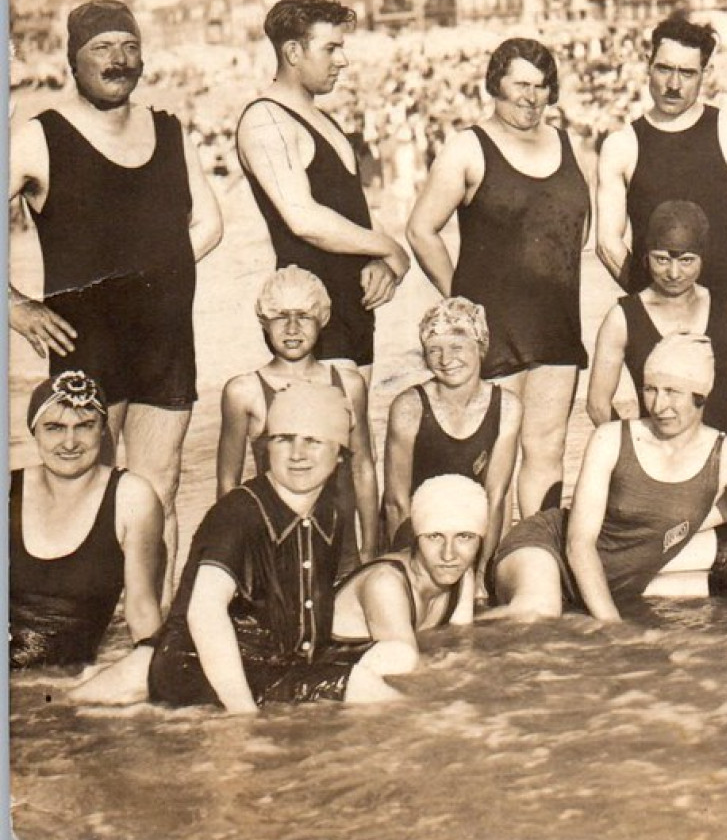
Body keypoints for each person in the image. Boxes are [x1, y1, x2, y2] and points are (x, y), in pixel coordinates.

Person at [10, 0, 224, 592]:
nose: (118, 60)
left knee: (159, 487)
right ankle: (87, 636)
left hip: (164, 339)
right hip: (86, 345)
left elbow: (209, 224)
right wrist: (15, 306)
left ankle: (150, 633)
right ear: (72, 62)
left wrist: (154, 276)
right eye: (102, 49)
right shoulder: (39, 136)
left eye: (129, 47)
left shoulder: (169, 129)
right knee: (86, 489)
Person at [487, 335, 727, 621]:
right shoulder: (611, 439)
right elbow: (579, 544)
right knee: (536, 614)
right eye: (650, 390)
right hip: (545, 550)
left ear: (700, 395)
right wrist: (612, 626)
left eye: (672, 392)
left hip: (619, 580)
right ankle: (446, 642)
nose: (659, 405)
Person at [407, 37, 591, 515]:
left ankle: (539, 559)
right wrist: (461, 305)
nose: (531, 97)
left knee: (548, 456)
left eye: (542, 87)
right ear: (495, 86)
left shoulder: (568, 143)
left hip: (556, 326)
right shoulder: (469, 147)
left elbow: (576, 229)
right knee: (492, 465)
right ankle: (484, 576)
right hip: (493, 334)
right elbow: (422, 229)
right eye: (520, 85)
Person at [147, 383, 404, 712]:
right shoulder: (239, 512)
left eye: (313, 440)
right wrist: (243, 715)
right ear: (267, 448)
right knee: (361, 686)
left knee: (398, 656)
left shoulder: (332, 508)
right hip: (201, 665)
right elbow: (204, 613)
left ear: (340, 454)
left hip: (282, 658)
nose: (298, 454)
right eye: (284, 439)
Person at [237, 0, 408, 377]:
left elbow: (355, 211)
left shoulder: (321, 119)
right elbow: (304, 219)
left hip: (353, 307)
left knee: (355, 431)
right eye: (331, 49)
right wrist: (392, 249)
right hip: (306, 314)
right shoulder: (267, 119)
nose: (343, 60)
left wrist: (382, 261)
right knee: (321, 431)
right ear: (293, 52)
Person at [595, 15, 727, 322]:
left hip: (721, 310)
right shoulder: (621, 145)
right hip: (652, 314)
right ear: (648, 64)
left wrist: (725, 290)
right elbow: (607, 242)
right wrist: (648, 297)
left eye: (687, 73)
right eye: (664, 69)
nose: (673, 85)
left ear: (706, 73)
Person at [216, 267, 378, 567]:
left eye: (303, 316)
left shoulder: (349, 384)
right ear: (264, 321)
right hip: (276, 556)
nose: (292, 328)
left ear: (323, 319)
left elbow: (363, 468)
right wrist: (236, 557)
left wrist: (370, 548)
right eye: (280, 316)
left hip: (342, 555)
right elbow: (229, 483)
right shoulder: (244, 391)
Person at [10, 372, 164, 670]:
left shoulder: (131, 497)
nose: (70, 442)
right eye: (54, 427)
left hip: (60, 682)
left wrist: (151, 678)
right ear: (34, 430)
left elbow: (142, 609)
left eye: (84, 427)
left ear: (104, 430)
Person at [586, 201, 727, 440]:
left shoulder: (725, 306)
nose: (674, 273)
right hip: (656, 454)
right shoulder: (623, 316)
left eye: (686, 260)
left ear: (702, 259)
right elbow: (597, 403)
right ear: (646, 257)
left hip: (717, 447)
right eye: (662, 260)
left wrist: (718, 439)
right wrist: (637, 449)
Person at [381, 298, 520, 583]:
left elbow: (496, 497)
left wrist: (481, 575)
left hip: (469, 531)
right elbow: (396, 501)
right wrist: (413, 573)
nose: (446, 360)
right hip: (418, 530)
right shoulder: (409, 406)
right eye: (434, 350)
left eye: (457, 347)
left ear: (480, 348)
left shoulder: (507, 406)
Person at [330, 475, 483, 674]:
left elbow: (462, 651)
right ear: (417, 538)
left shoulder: (462, 574)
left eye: (464, 537)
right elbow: (408, 676)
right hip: (312, 680)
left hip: (368, 682)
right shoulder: (384, 583)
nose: (449, 554)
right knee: (403, 658)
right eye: (435, 537)